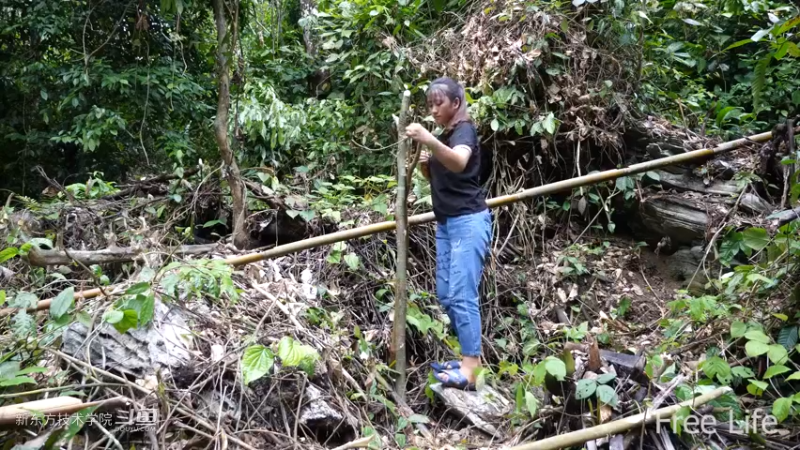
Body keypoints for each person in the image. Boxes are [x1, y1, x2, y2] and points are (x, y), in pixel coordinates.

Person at [404, 77, 492, 390]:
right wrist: (428, 163)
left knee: (462, 295)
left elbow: (459, 162)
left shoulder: (464, 129)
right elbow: (443, 174)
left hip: (468, 221)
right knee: (446, 295)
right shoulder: (447, 134)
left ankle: (471, 368)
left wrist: (429, 140)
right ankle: (470, 360)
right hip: (447, 223)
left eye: (438, 103)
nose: (433, 110)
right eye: (430, 105)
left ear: (455, 104)